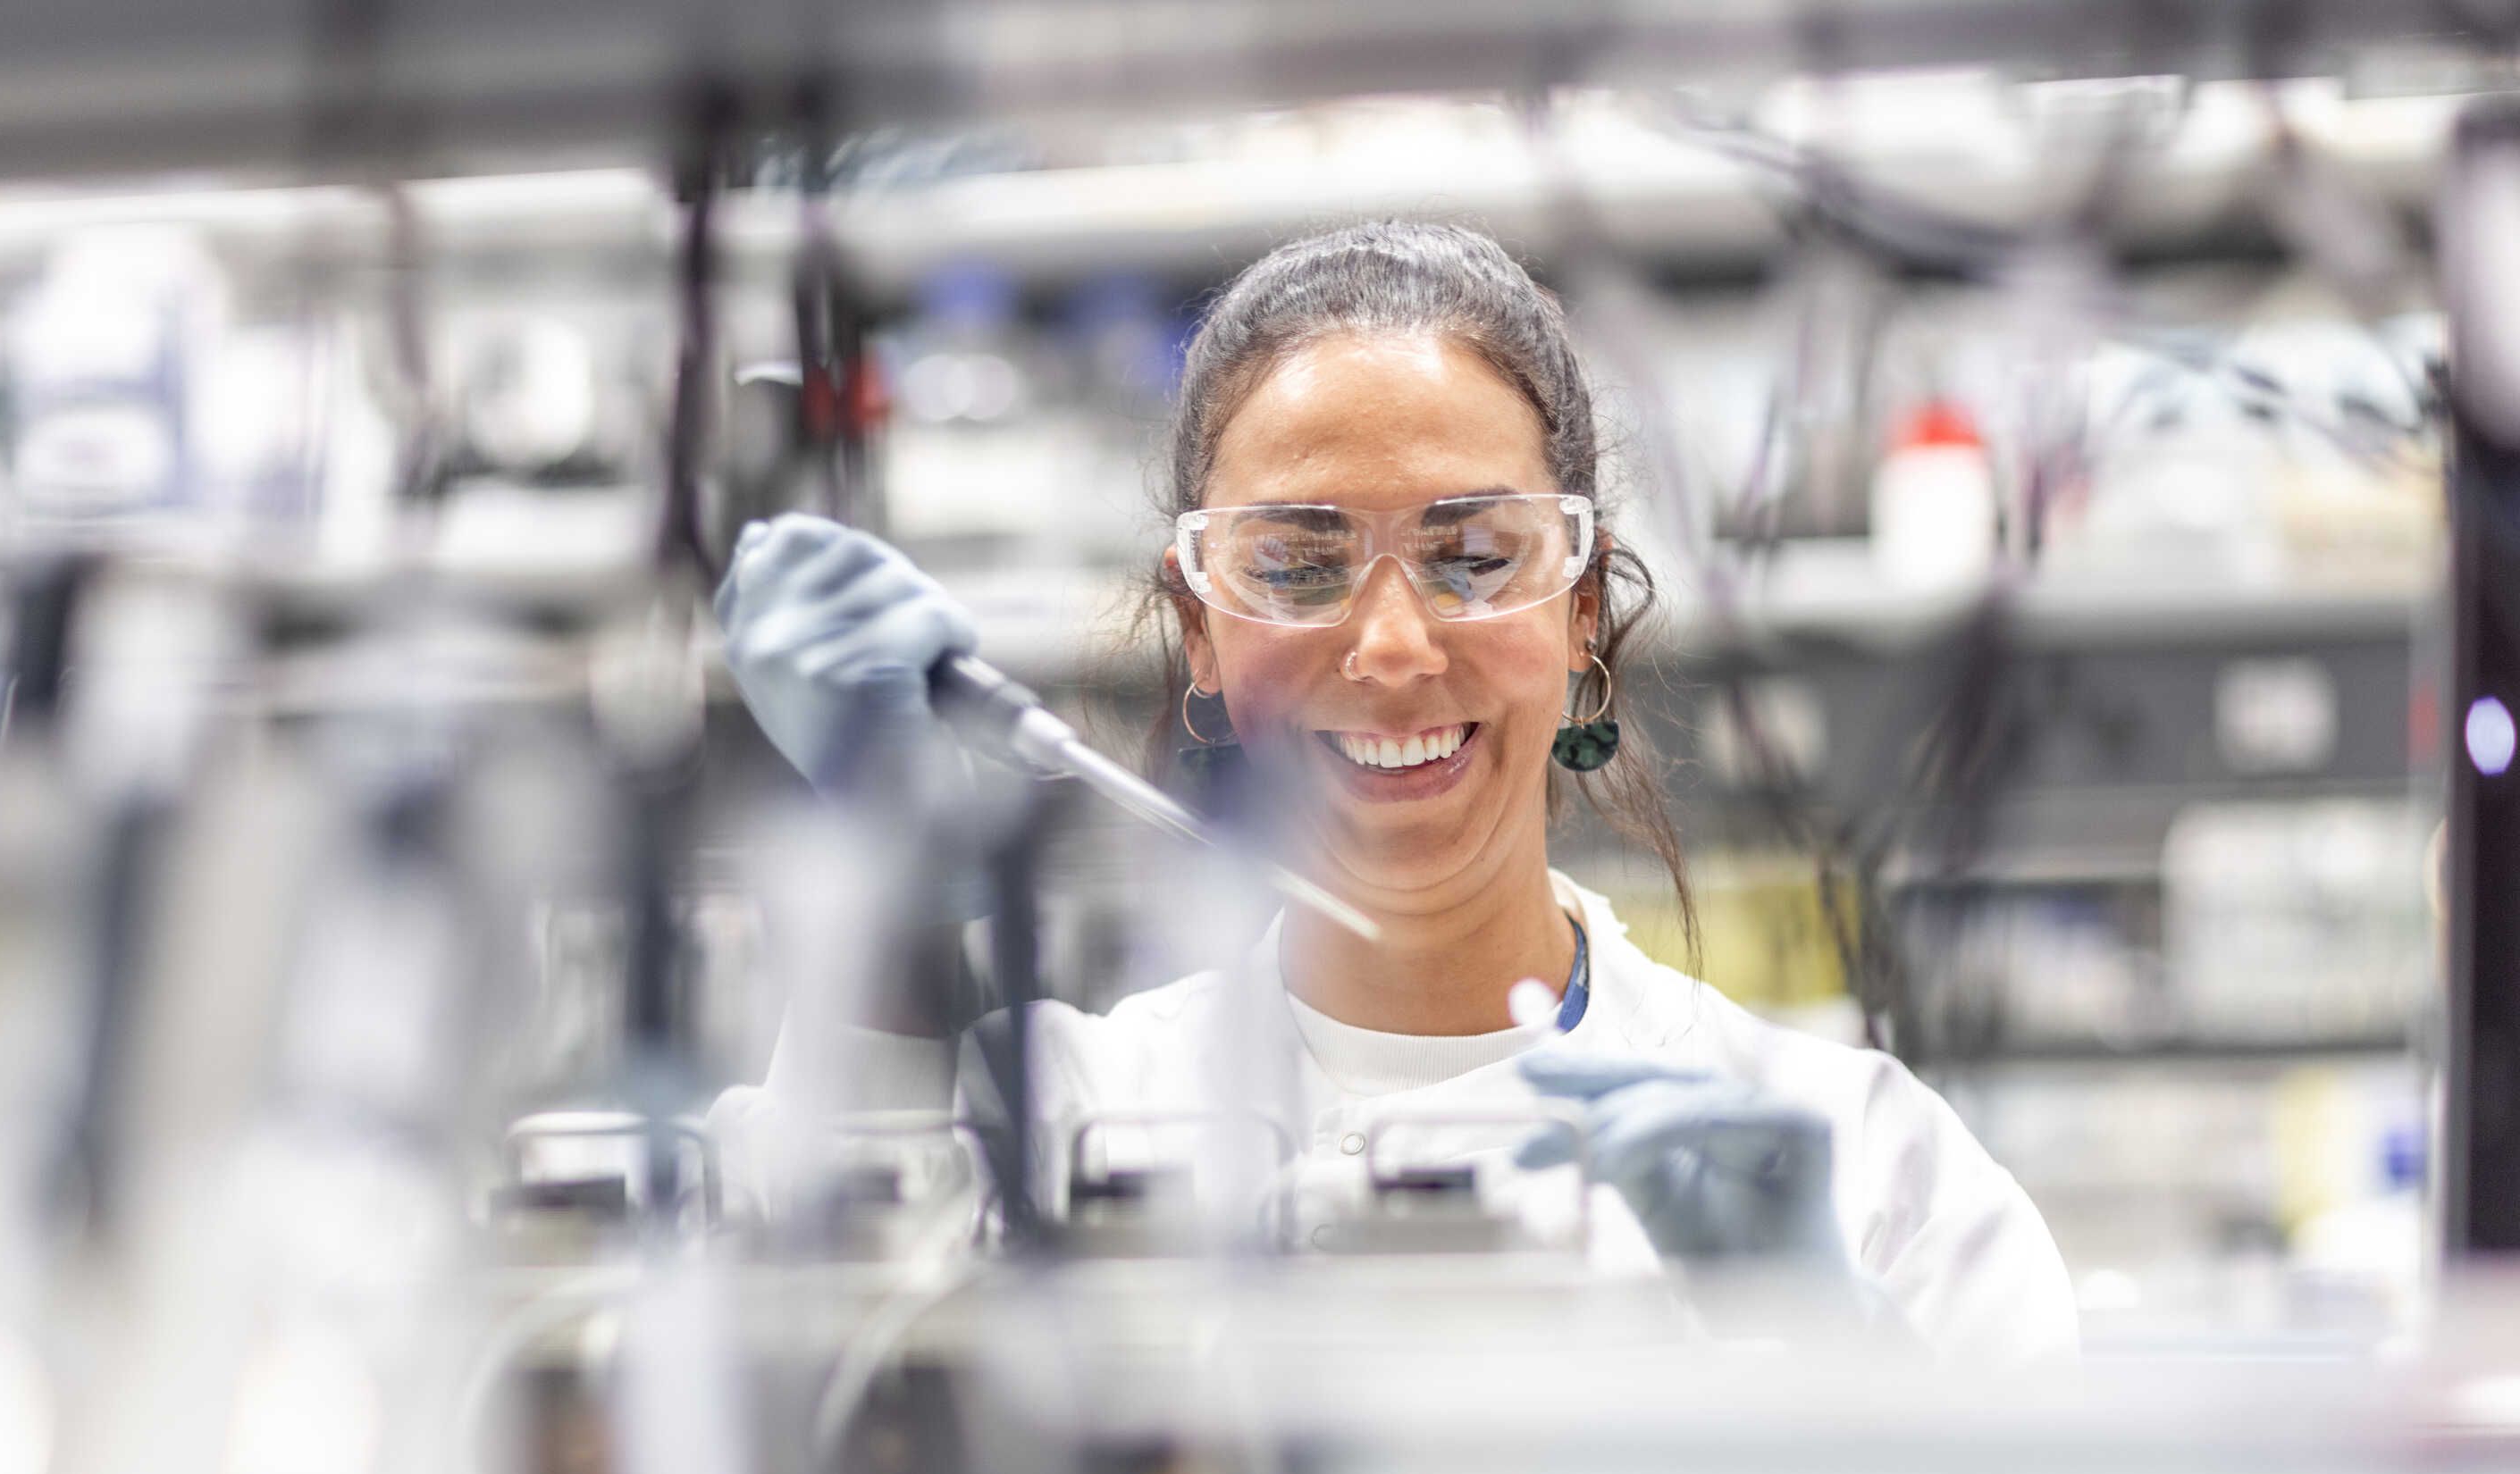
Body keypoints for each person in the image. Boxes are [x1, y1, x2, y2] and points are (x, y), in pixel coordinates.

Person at [715, 220, 2076, 1363]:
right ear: (1200, 632)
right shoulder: (1059, 1125)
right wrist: (881, 872)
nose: (1391, 648)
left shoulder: (1866, 1165)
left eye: (1476, 556)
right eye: (1299, 566)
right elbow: (798, 1360)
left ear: (1583, 613)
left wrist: (1836, 1363)